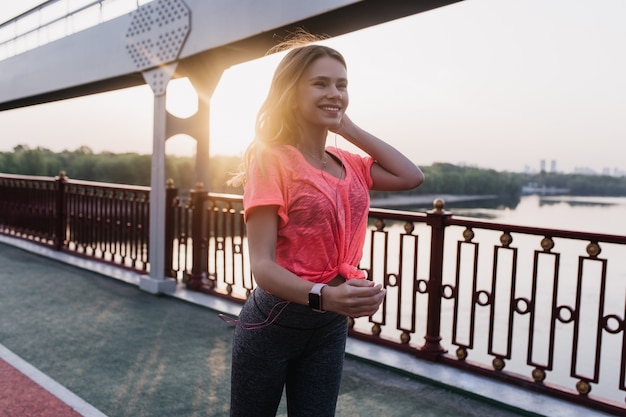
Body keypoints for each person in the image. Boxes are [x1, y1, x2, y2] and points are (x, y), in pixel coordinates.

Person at [227, 36, 424, 417]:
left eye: (342, 84)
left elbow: (410, 176)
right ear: (291, 93)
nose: (334, 92)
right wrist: (326, 296)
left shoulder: (349, 162)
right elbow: (263, 268)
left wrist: (345, 125)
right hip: (274, 322)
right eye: (320, 83)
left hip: (329, 328)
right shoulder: (272, 162)